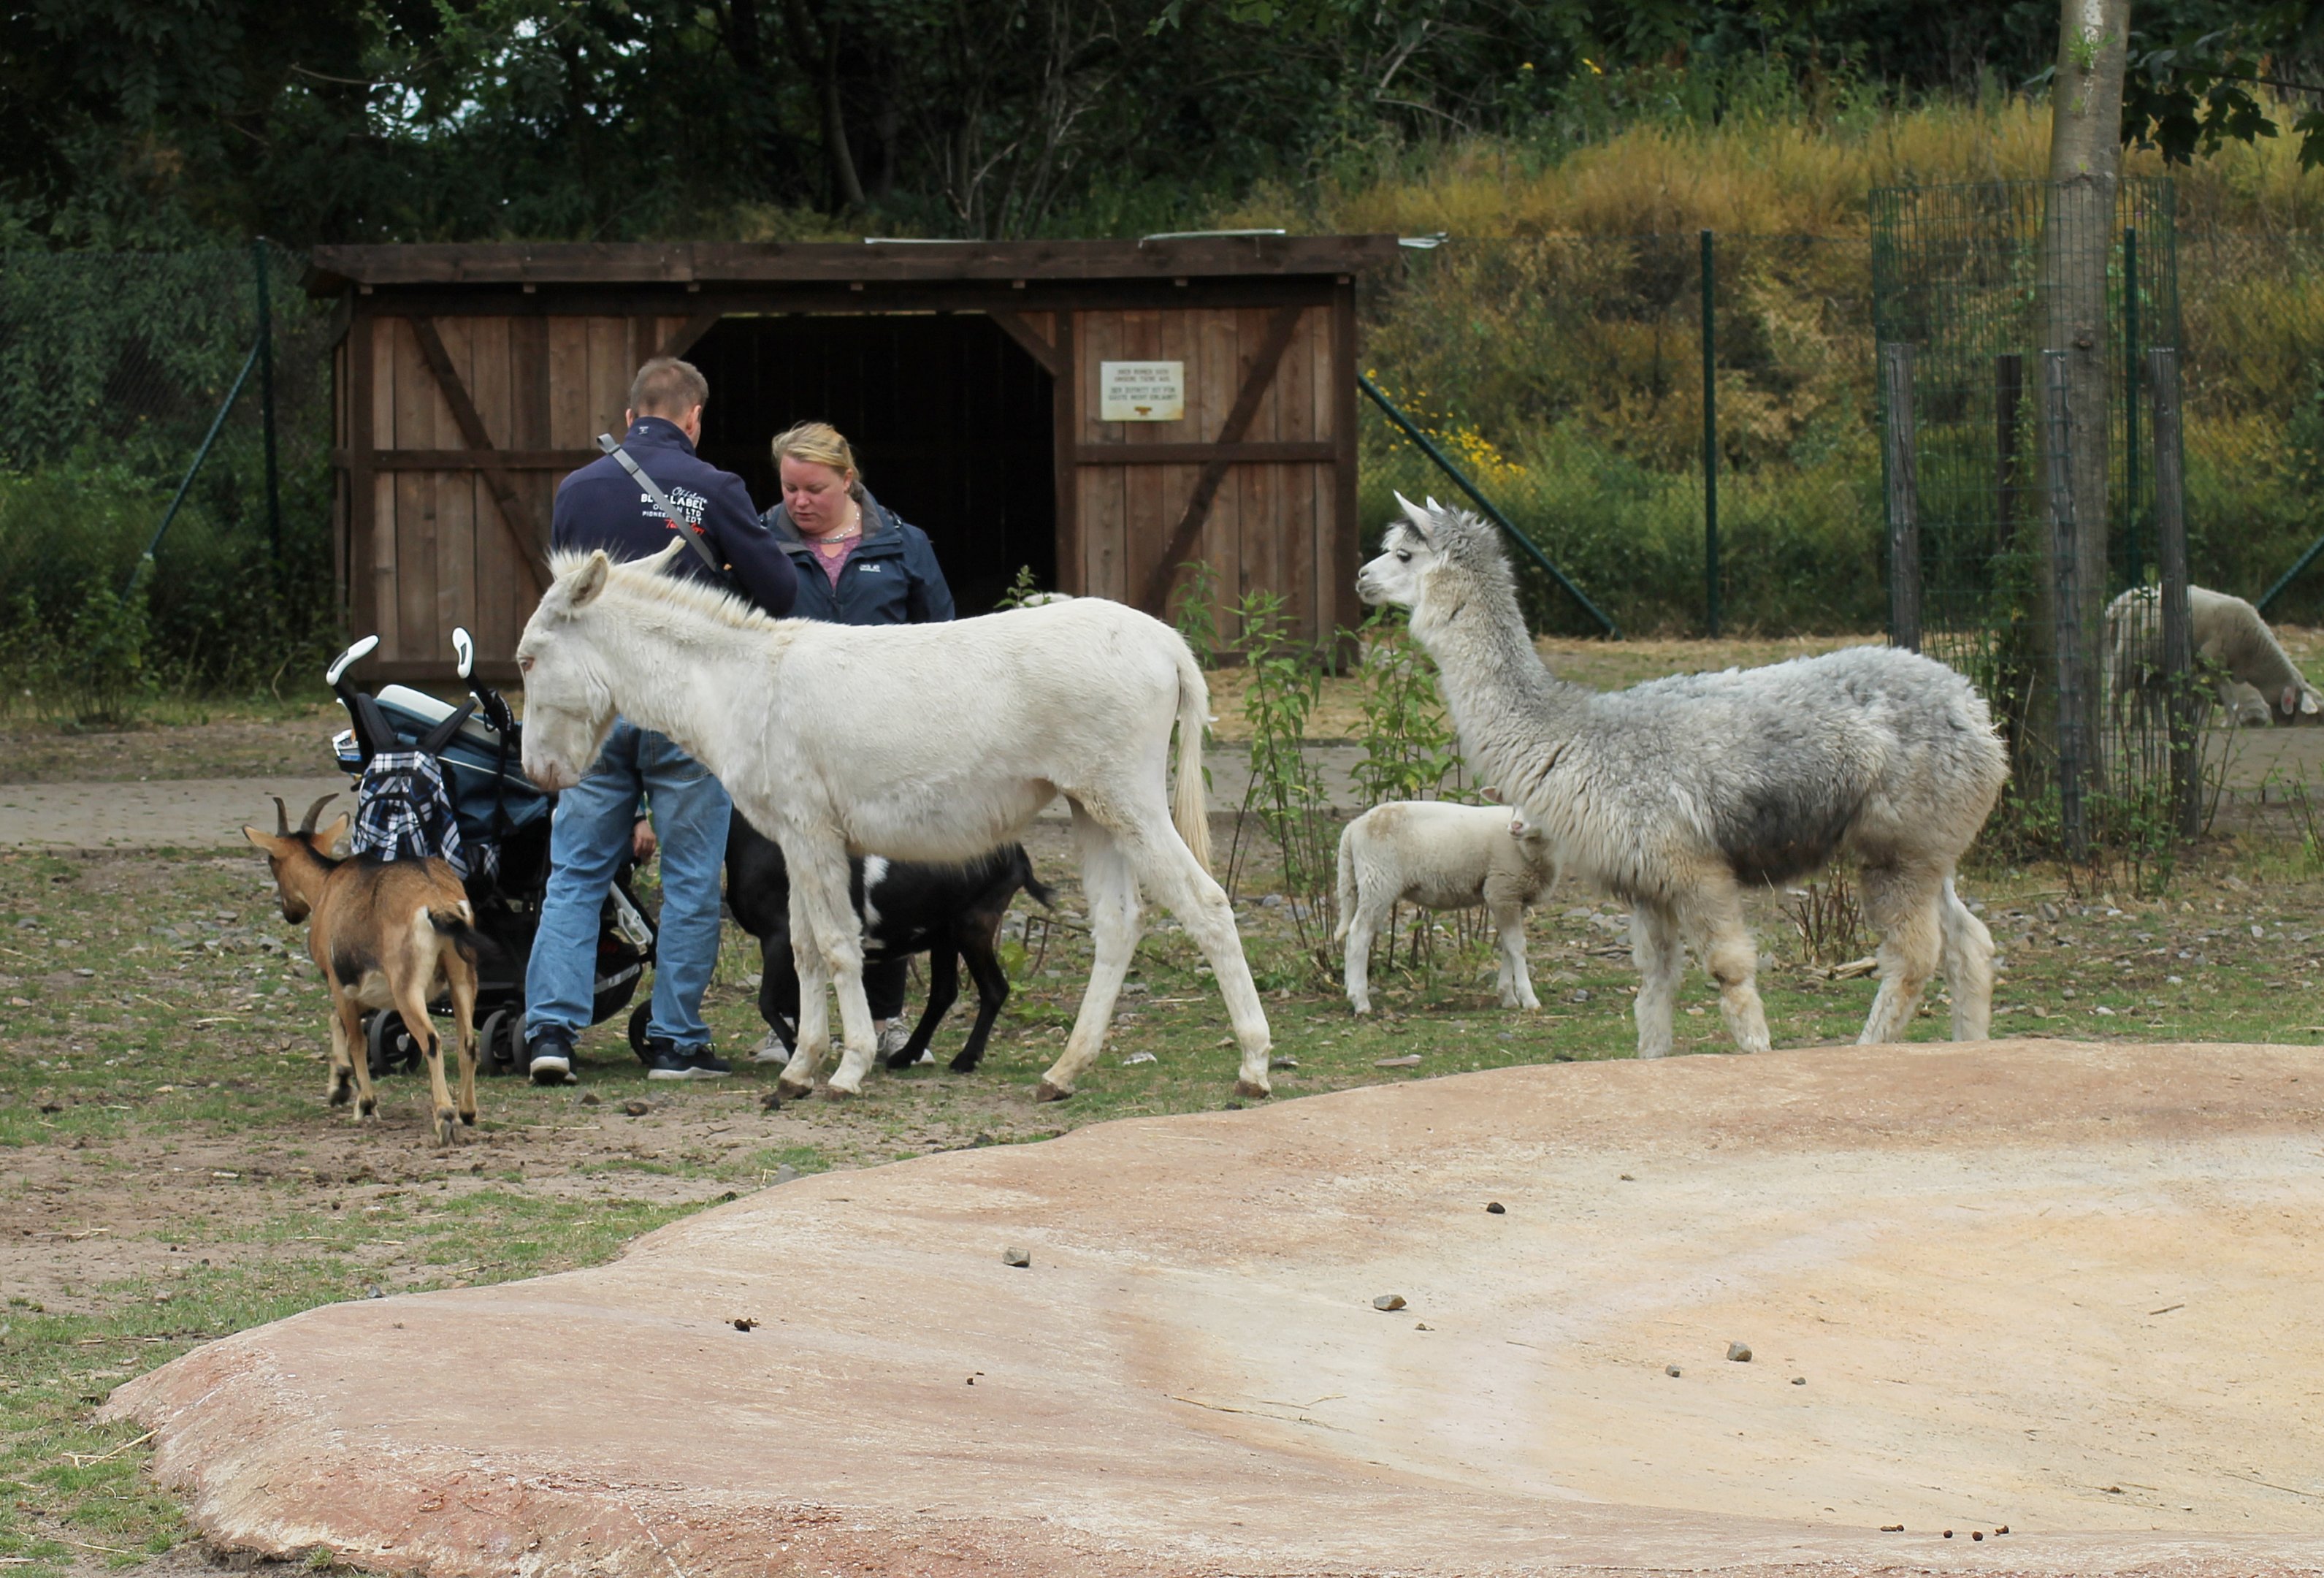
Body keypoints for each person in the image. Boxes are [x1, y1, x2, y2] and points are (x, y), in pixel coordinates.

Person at [524, 357, 798, 1085]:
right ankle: (675, 1040)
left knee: (577, 869)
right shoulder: (714, 488)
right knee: (688, 875)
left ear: (628, 416)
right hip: (683, 710)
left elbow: (564, 600)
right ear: (693, 418)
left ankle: (550, 1030)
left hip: (600, 707)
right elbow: (778, 589)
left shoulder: (577, 490)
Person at [754, 421, 955, 1056]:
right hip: (795, 741)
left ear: (848, 480)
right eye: (789, 488)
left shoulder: (903, 542)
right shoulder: (758, 544)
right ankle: (788, 1024)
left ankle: (887, 1019)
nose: (799, 501)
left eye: (814, 488)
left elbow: (942, 633)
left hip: (886, 736)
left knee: (880, 869)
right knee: (799, 873)